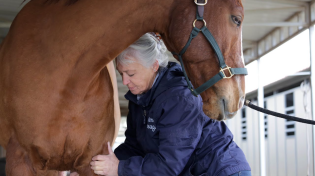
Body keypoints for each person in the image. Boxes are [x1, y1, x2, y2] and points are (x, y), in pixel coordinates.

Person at [74, 33, 251, 176]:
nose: (125, 81)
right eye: (121, 74)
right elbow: (134, 147)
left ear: (154, 66)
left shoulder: (180, 98)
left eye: (131, 73)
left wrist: (118, 168)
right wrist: (92, 169)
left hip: (219, 170)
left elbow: (169, 165)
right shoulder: (139, 98)